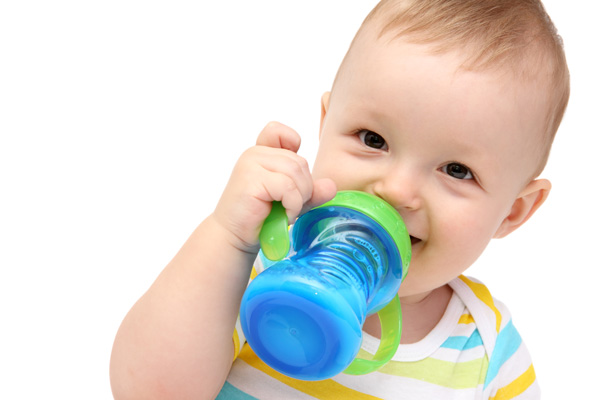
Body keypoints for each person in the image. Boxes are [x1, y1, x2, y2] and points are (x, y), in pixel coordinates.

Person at [109, 0, 569, 398]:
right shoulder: (260, 271)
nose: (396, 190)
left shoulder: (488, 351)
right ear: (326, 123)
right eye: (373, 138)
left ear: (514, 210)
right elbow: (147, 392)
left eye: (456, 170)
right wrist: (227, 238)